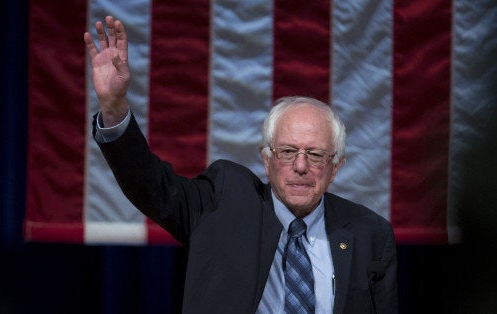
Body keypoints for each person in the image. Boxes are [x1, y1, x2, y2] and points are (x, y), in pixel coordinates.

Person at [84, 16, 398, 314]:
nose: (301, 166)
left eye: (315, 155)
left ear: (336, 166)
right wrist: (114, 109)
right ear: (267, 158)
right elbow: (152, 187)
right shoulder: (223, 202)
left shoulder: (369, 234)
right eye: (288, 152)